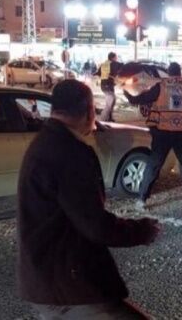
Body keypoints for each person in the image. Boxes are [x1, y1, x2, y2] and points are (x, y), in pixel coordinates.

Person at [17, 80, 160, 319]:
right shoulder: (71, 152)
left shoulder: (46, 141)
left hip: (45, 280)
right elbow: (94, 223)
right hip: (67, 286)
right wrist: (142, 231)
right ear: (89, 111)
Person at [123, 62, 182, 209]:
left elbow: (138, 99)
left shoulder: (161, 86)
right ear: (180, 73)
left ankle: (142, 199)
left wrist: (126, 92)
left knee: (154, 165)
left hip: (162, 132)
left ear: (169, 73)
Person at [96, 52, 122, 122]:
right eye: (116, 57)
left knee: (111, 101)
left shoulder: (103, 64)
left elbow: (98, 73)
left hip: (104, 85)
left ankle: (109, 118)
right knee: (111, 101)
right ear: (113, 58)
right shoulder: (114, 64)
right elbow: (123, 66)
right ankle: (103, 119)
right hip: (108, 85)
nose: (116, 59)